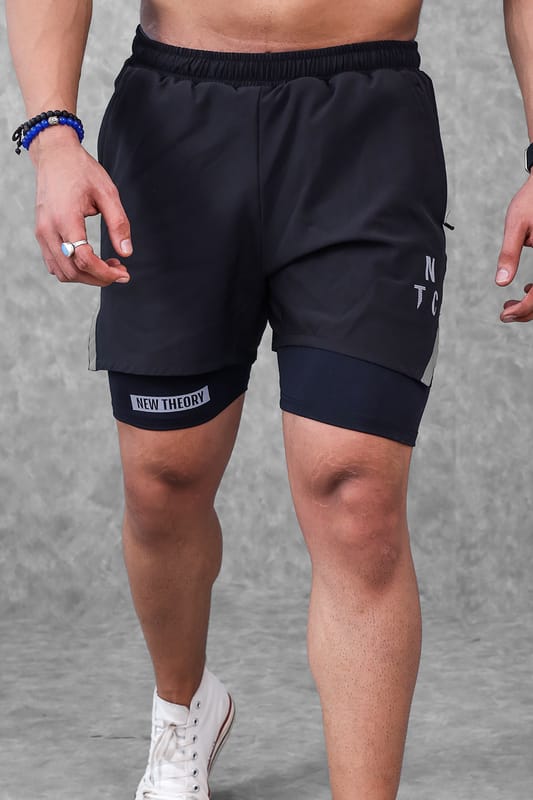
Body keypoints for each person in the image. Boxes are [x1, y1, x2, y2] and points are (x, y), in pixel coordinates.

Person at [5, 2, 529, 799]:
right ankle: (183, 710)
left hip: (365, 133)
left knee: (355, 496)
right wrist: (51, 133)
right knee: (163, 483)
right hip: (176, 126)